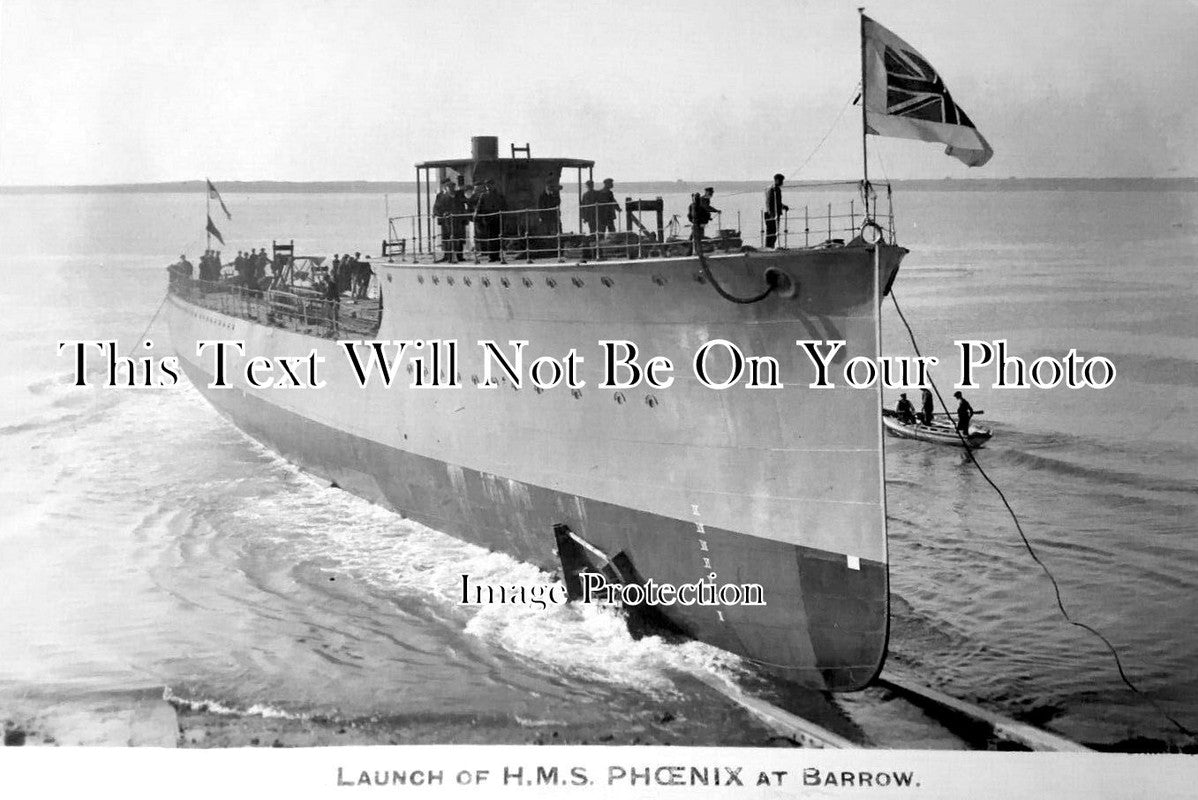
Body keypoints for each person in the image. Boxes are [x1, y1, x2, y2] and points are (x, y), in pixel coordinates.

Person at [474, 182, 504, 262]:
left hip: (497, 218)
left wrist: (503, 215)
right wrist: (476, 214)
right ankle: (492, 256)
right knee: (490, 238)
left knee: (497, 238)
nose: (488, 187)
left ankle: (496, 256)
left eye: (490, 185)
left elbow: (503, 205)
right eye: (487, 185)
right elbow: (479, 206)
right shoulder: (483, 196)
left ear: (493, 185)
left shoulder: (499, 195)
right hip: (488, 219)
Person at [433, 179, 460, 262]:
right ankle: (447, 255)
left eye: (452, 187)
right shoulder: (440, 196)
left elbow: (459, 206)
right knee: (446, 237)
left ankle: (456, 256)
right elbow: (436, 206)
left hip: (454, 220)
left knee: (455, 237)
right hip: (445, 220)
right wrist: (436, 213)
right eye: (449, 186)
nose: (451, 188)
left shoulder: (456, 195)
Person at [764, 173, 789, 248]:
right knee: (774, 233)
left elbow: (770, 201)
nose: (782, 183)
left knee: (769, 233)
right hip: (773, 214)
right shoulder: (775, 189)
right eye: (781, 181)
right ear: (777, 180)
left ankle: (768, 247)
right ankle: (770, 248)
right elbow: (776, 202)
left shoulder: (768, 188)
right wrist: (784, 207)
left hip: (768, 213)